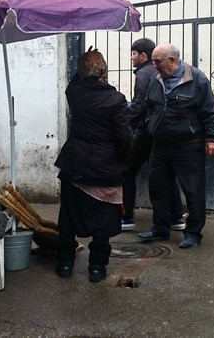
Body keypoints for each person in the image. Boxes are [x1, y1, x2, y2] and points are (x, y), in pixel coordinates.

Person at [54, 47, 132, 282]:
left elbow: (74, 81)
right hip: (104, 167)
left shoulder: (74, 93)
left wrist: (82, 65)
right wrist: (125, 159)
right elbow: (123, 137)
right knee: (104, 221)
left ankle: (65, 264)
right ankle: (96, 267)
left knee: (68, 217)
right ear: (104, 71)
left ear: (81, 71)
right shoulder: (115, 99)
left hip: (74, 164)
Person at [137, 42, 214, 249]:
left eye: (157, 61)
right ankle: (160, 228)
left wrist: (213, 138)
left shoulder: (197, 79)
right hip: (160, 144)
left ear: (172, 61)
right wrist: (150, 125)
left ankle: (193, 233)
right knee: (158, 187)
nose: (153, 65)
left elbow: (209, 111)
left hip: (188, 144)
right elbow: (149, 107)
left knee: (193, 190)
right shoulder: (155, 79)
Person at [122, 38, 186, 231]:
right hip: (159, 130)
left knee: (128, 171)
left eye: (133, 54)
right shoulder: (159, 72)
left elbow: (140, 105)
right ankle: (176, 217)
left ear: (143, 55)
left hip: (145, 131)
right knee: (167, 175)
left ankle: (126, 218)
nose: (131, 58)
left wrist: (128, 123)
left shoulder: (144, 74)